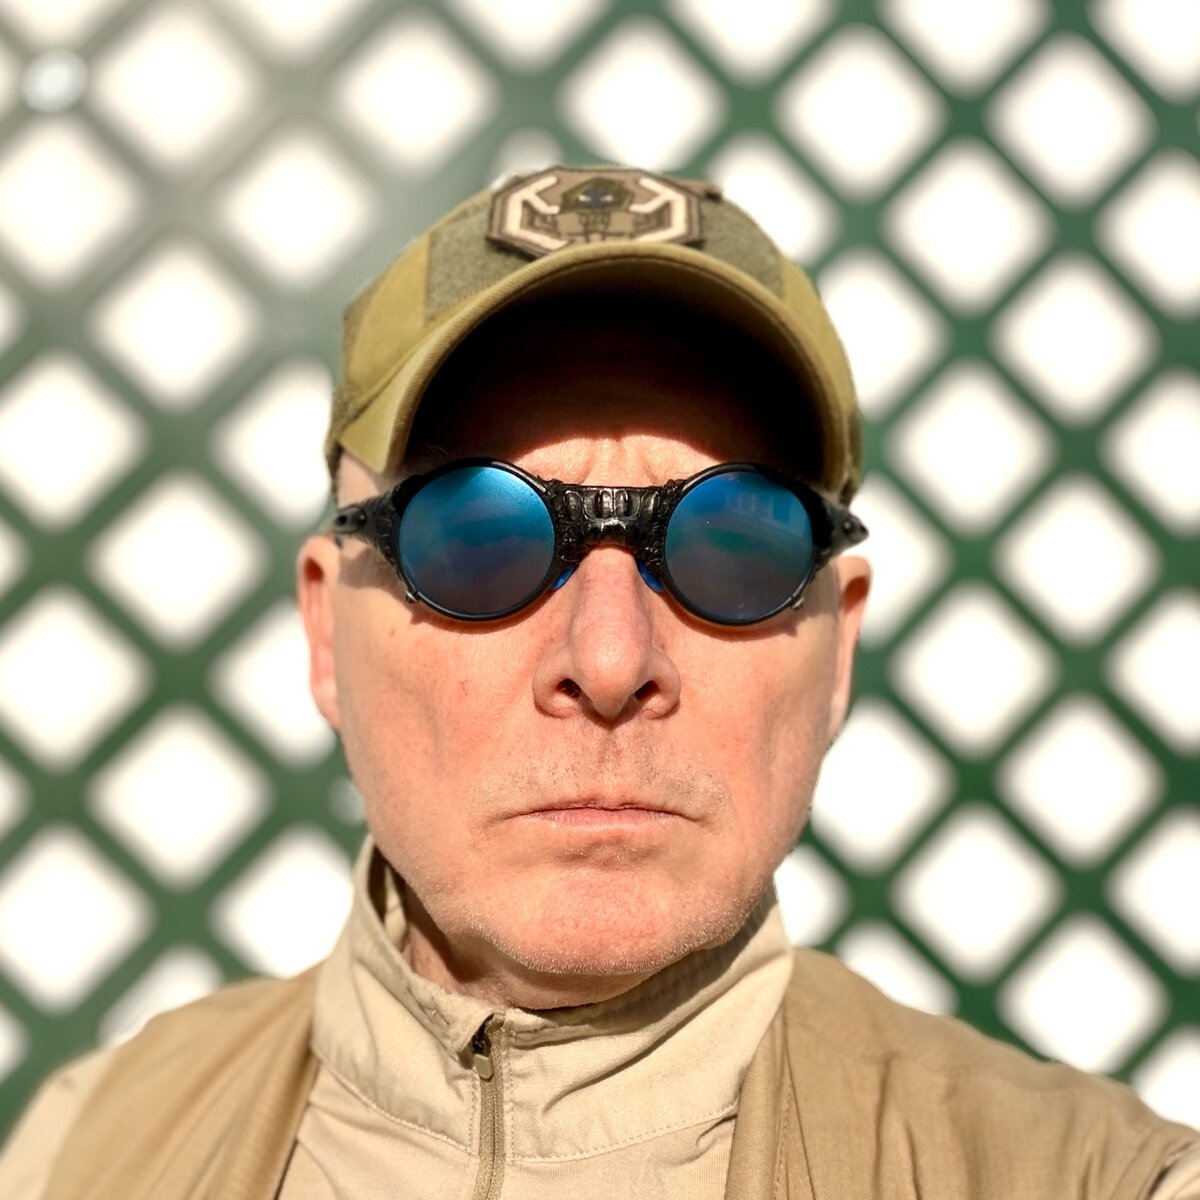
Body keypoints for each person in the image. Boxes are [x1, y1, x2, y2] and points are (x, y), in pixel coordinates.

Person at [1, 166, 1196, 1199]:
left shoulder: (1096, 1179)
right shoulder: (89, 1149)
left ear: (837, 646)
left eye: (734, 545)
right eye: (475, 538)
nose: (613, 662)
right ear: (326, 630)